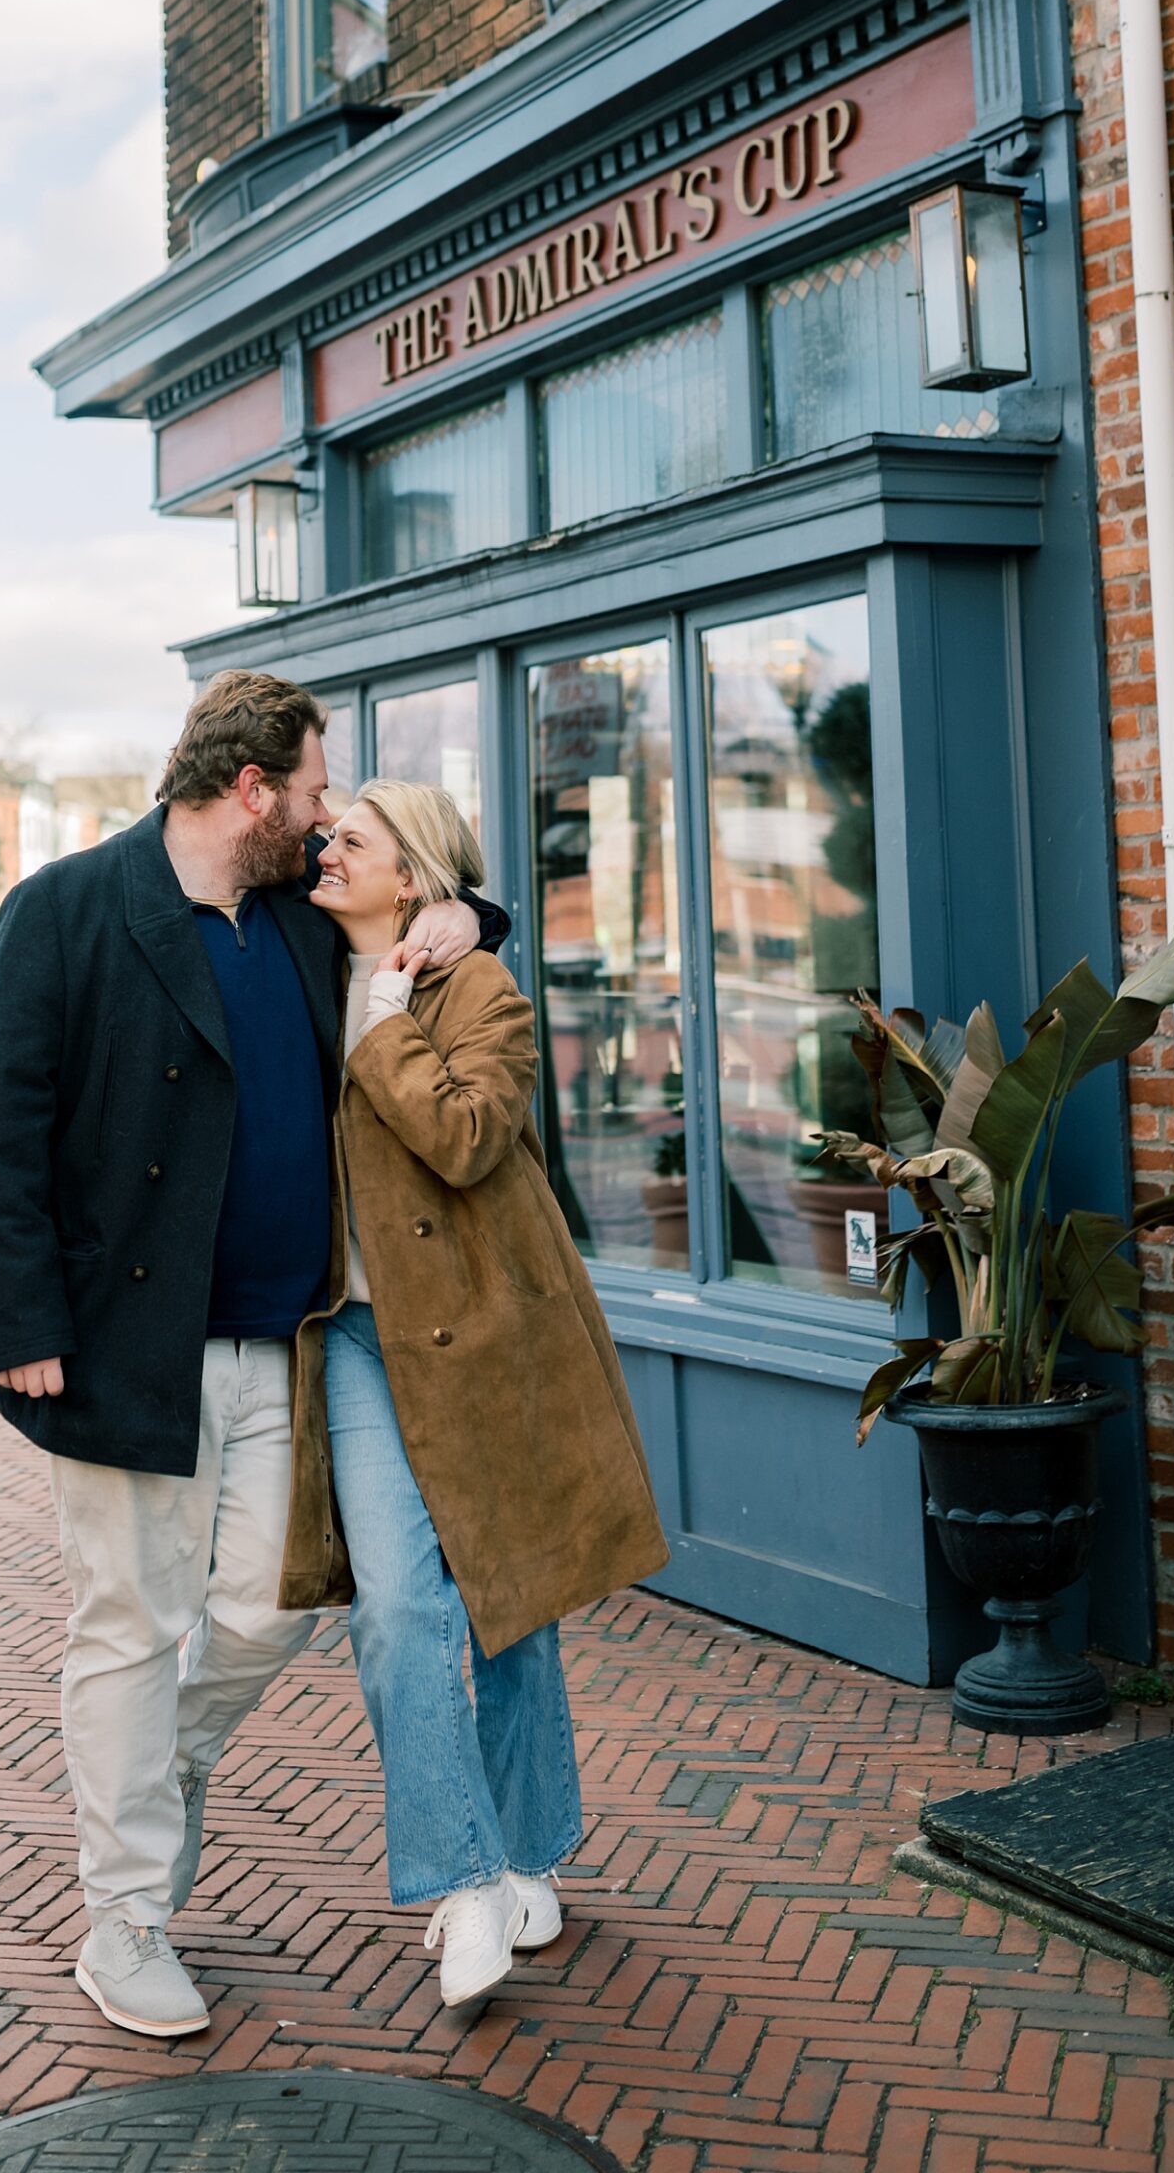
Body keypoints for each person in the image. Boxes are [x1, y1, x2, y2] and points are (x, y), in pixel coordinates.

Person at [0, 673, 502, 2041]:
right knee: (128, 1628)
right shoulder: (71, 908)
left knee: (270, 1607)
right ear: (251, 789)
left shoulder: (298, 927)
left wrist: (465, 913)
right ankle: (126, 1918)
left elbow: (436, 923)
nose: (327, 822)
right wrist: (23, 1325)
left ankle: (165, 1763)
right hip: (123, 1349)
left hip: (287, 1339)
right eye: (314, 792)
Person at [297, 778, 669, 2007]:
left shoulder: (478, 991)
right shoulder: (304, 959)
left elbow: (466, 1136)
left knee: (514, 1601)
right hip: (356, 1337)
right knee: (402, 1611)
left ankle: (526, 1853)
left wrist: (391, 1010)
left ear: (409, 875)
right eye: (325, 830)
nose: (323, 846)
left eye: (350, 837)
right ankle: (464, 1883)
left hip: (487, 1334)